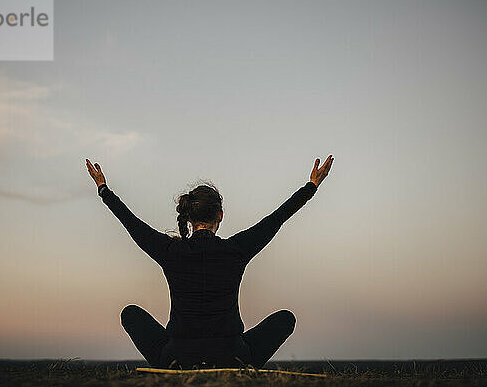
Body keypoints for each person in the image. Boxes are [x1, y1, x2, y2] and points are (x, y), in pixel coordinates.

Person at [85, 155, 333, 369]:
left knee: (130, 314)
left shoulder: (170, 250)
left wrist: (104, 190)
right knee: (285, 319)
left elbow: (130, 222)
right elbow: (277, 217)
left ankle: (174, 364)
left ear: (189, 218)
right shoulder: (236, 249)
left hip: (177, 357)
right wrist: (311, 187)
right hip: (233, 356)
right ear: (221, 216)